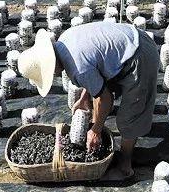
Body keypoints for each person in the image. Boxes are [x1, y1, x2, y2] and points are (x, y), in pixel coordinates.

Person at [17, 22, 159, 179]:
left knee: (130, 116)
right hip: (133, 39)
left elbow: (105, 98)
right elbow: (93, 65)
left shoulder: (78, 69)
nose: (55, 75)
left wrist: (96, 130)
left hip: (139, 56)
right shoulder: (65, 39)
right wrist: (85, 97)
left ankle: (125, 166)